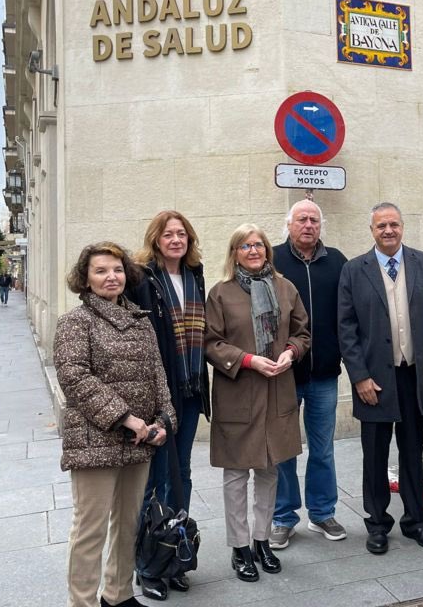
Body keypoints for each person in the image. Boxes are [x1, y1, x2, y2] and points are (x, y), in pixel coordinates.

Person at [54, 242, 175, 607]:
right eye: (101, 271)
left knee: (128, 523)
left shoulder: (140, 321)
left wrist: (164, 419)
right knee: (90, 529)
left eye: (117, 270)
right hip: (95, 440)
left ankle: (119, 594)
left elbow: (158, 376)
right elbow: (73, 376)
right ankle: (83, 601)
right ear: (85, 279)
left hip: (140, 441)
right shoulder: (75, 322)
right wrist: (126, 418)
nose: (111, 277)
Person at [205, 223, 310, 583]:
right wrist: (248, 360)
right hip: (238, 392)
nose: (253, 251)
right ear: (234, 252)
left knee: (270, 470)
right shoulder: (221, 293)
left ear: (267, 250)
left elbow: (302, 331)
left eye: (259, 245)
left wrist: (291, 352)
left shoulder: (286, 288)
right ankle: (239, 548)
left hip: (278, 389)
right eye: (245, 246)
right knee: (236, 474)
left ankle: (262, 541)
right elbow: (211, 343)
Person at [338, 202, 423, 555]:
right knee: (375, 456)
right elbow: (346, 329)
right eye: (381, 225)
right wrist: (360, 378)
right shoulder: (354, 270)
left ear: (403, 227)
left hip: (414, 377)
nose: (388, 231)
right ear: (372, 230)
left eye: (394, 224)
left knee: (413, 454)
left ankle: (416, 521)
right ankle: (378, 524)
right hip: (374, 380)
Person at [130, 211, 210, 599]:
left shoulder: (195, 275)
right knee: (155, 479)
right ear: (156, 240)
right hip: (161, 395)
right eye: (168, 234)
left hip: (192, 390)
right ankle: (148, 565)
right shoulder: (143, 279)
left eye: (181, 234)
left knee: (182, 472)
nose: (175, 239)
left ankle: (174, 552)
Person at [270, 200, 349, 549]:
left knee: (322, 449)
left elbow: (349, 315)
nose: (308, 225)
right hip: (283, 374)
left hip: (325, 374)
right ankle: (283, 517)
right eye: (301, 219)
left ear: (321, 226)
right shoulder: (272, 260)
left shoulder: (337, 261)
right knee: (284, 448)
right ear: (288, 224)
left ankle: (321, 512)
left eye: (314, 220)